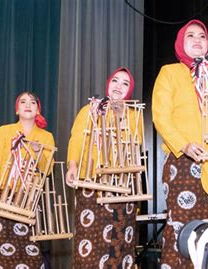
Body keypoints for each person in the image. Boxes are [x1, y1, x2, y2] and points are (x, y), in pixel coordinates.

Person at [152, 19, 208, 268]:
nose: (197, 40)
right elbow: (161, 116)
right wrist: (184, 145)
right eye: (191, 36)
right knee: (185, 230)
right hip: (183, 163)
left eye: (202, 36)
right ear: (181, 42)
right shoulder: (170, 72)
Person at [65, 67, 140, 268]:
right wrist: (72, 166)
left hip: (121, 185)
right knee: (89, 240)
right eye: (115, 80)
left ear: (129, 90)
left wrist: (121, 116)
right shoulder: (89, 109)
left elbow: (136, 142)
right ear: (108, 84)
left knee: (120, 242)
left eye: (125, 83)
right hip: (91, 182)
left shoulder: (134, 114)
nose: (118, 86)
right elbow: (76, 140)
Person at [0, 91, 55, 268]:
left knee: (30, 248)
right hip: (5, 195)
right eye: (23, 102)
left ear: (38, 110)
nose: (27, 105)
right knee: (4, 246)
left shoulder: (46, 137)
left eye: (32, 102)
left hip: (30, 198)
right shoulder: (4, 131)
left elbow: (47, 169)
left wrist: (36, 151)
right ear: (17, 109)